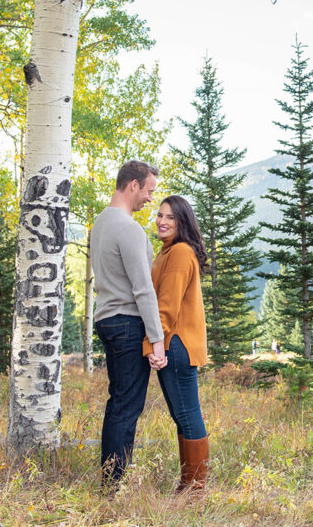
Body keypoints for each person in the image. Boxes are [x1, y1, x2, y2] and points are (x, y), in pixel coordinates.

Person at [91, 160, 168, 489]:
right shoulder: (128, 228)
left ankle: (111, 479)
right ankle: (113, 485)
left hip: (106, 320)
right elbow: (143, 289)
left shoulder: (100, 223)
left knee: (118, 401)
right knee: (127, 405)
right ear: (133, 185)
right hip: (127, 323)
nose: (151, 198)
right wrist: (158, 339)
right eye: (149, 190)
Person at [142, 195, 210, 493]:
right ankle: (188, 485)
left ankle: (194, 488)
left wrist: (150, 344)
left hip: (176, 344)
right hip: (171, 343)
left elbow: (165, 308)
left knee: (187, 414)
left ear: (182, 222)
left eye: (170, 217)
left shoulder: (180, 253)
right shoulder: (167, 252)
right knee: (180, 415)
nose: (162, 221)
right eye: (159, 215)